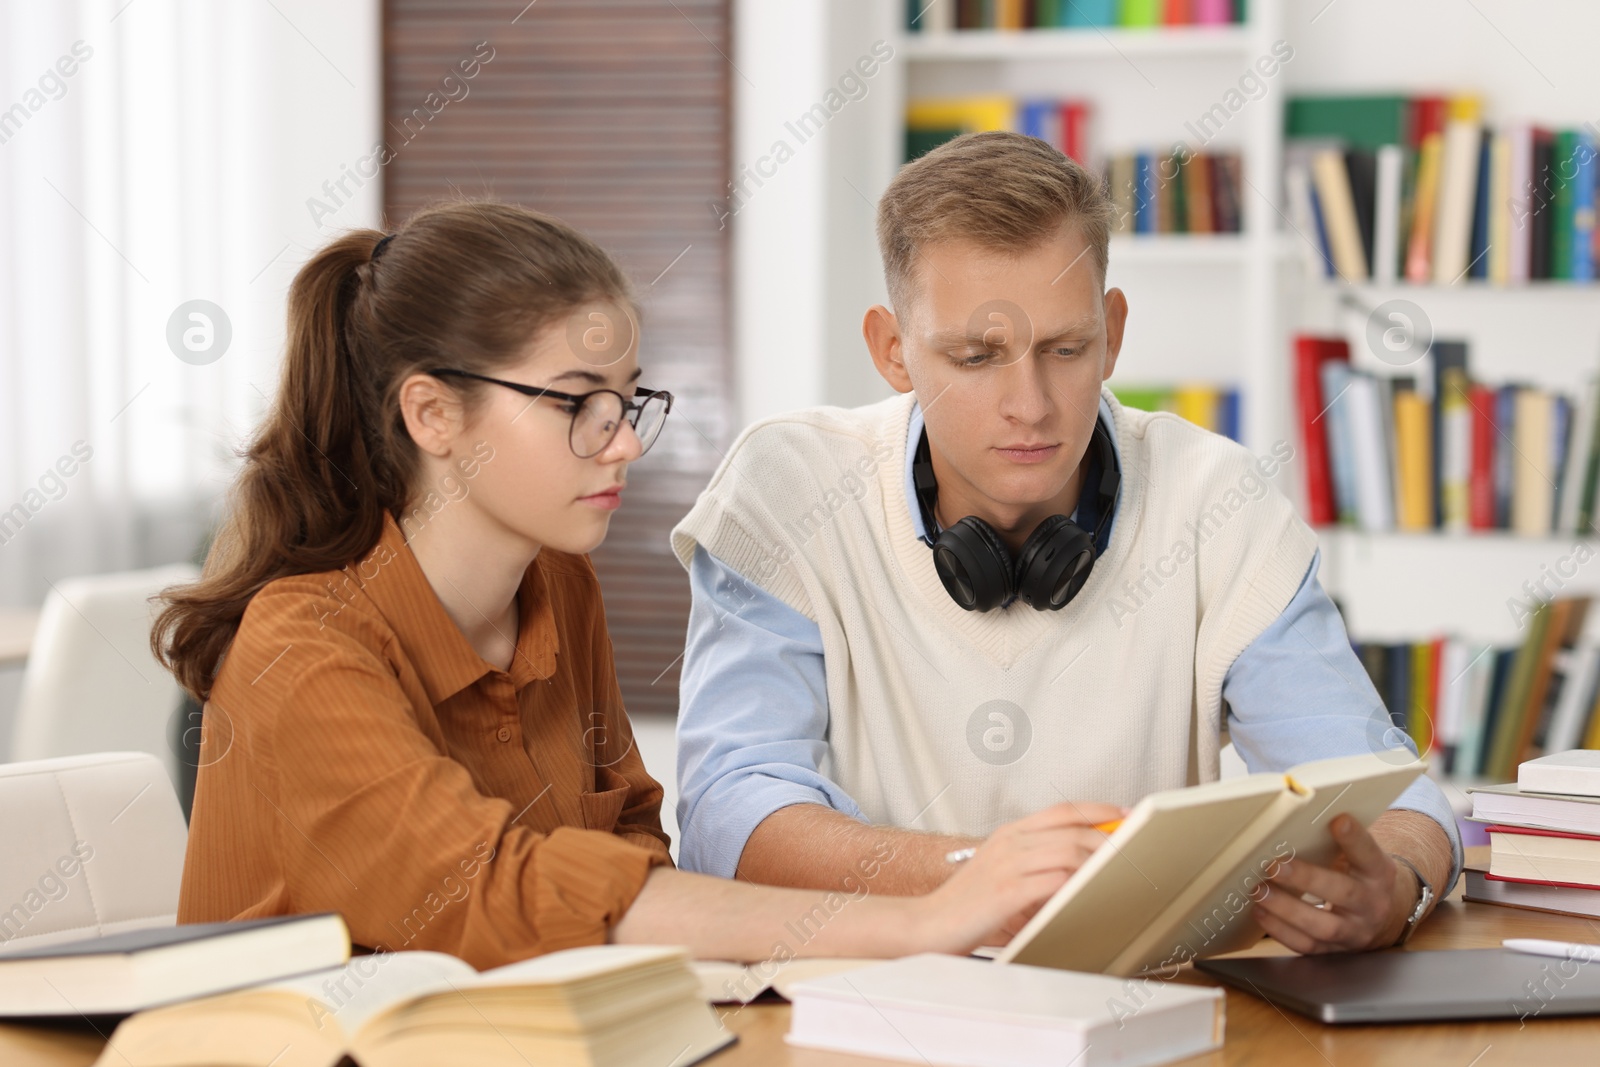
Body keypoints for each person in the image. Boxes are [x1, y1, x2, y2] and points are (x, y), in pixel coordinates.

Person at [153, 199, 1098, 970]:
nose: (627, 440)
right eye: (577, 404)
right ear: (433, 412)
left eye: (628, 397)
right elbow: (487, 890)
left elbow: (633, 843)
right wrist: (920, 920)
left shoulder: (558, 584)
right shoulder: (300, 645)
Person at [672, 131, 1462, 956]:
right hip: (867, 1008)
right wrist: (975, 875)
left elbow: (1387, 790)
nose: (1031, 404)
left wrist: (1396, 884)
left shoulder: (1219, 500)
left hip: (1141, 1014)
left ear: (1112, 332)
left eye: (1066, 349)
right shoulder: (789, 487)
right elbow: (728, 811)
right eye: (977, 356)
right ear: (892, 350)